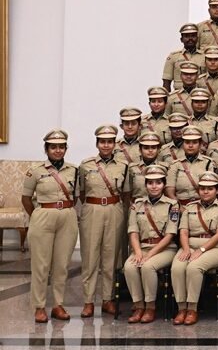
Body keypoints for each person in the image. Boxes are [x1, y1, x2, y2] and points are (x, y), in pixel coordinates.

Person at [24, 130, 79, 323]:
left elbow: (76, 196)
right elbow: (26, 199)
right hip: (43, 216)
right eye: (53, 147)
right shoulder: (36, 170)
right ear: (46, 148)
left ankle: (58, 305)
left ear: (66, 148)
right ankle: (39, 307)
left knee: (62, 264)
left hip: (67, 217)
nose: (57, 150)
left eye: (61, 147)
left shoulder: (73, 170)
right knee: (40, 265)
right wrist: (38, 216)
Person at [78, 124, 131, 318]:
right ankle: (88, 301)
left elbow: (126, 193)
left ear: (114, 144)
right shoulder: (86, 165)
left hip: (114, 208)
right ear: (97, 143)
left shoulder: (123, 166)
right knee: (90, 256)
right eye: (102, 142)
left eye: (110, 142)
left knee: (111, 256)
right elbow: (81, 192)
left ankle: (107, 299)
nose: (106, 146)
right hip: (92, 209)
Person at [171, 172, 218, 325]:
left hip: (216, 247)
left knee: (194, 267)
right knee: (177, 267)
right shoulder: (189, 208)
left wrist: (202, 250)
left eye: (210, 188)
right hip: (190, 245)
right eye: (202, 188)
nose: (205, 191)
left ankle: (192, 308)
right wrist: (185, 249)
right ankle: (181, 308)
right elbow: (183, 231)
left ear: (217, 190)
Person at [122, 165, 179, 324]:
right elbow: (133, 232)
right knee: (129, 266)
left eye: (158, 182)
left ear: (163, 184)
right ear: (145, 185)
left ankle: (150, 307)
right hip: (142, 247)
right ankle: (138, 306)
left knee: (148, 266)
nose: (154, 186)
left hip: (165, 249)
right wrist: (138, 252)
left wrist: (149, 255)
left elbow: (170, 235)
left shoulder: (172, 205)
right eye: (150, 183)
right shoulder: (137, 205)